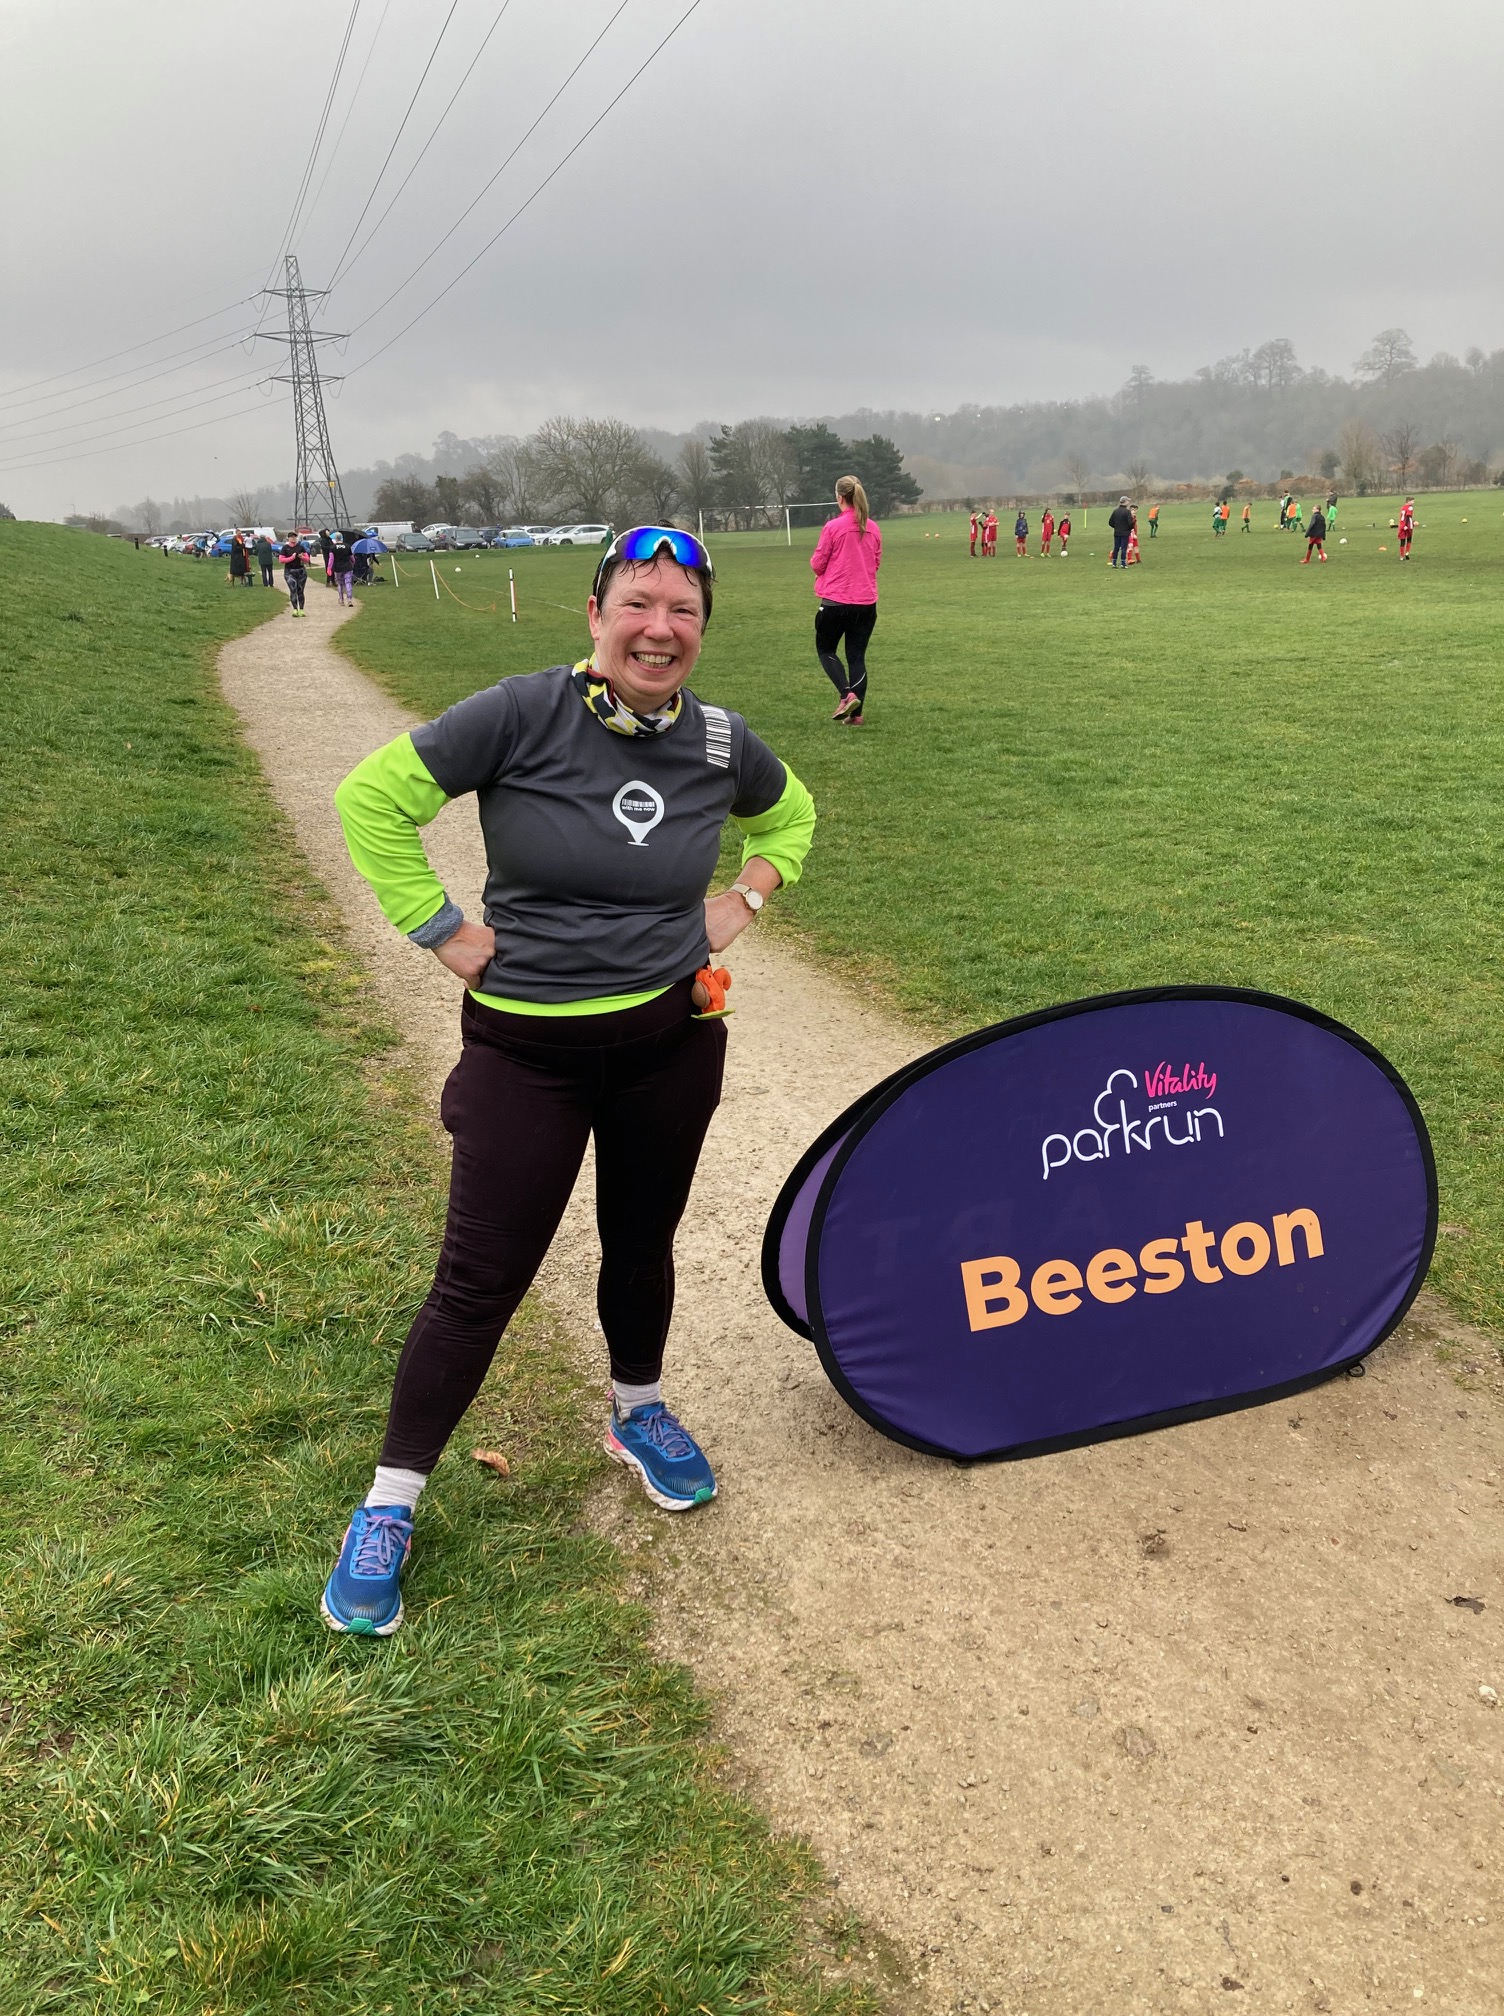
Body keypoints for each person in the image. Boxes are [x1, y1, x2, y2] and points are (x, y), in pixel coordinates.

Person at [320, 527, 817, 1635]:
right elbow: (370, 800)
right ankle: (390, 1502)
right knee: (478, 1281)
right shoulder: (520, 713)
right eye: (638, 603)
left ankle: (637, 1411)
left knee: (642, 1244)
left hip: (670, 1045)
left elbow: (791, 815)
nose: (659, 629)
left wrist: (747, 895)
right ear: (596, 614)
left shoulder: (722, 739)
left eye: (683, 611)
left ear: (702, 630)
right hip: (526, 1055)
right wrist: (439, 928)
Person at [811, 475, 882, 723]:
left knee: (825, 649)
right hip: (866, 603)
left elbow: (818, 564)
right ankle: (856, 716)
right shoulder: (873, 528)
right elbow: (875, 562)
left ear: (839, 497)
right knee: (857, 657)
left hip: (836, 601)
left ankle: (846, 694)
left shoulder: (833, 527)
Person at [281, 536, 308, 616]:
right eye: (291, 537)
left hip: (301, 571)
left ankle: (302, 609)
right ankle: (295, 609)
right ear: (288, 538)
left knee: (300, 590)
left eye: (294, 537)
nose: (293, 539)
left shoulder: (300, 547)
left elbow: (307, 559)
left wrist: (302, 557)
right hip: (289, 571)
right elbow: (281, 560)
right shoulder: (285, 548)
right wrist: (292, 557)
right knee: (293, 590)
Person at [1108, 495, 1134, 568]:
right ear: (1125, 502)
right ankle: (1123, 564)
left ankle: (1114, 563)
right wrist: (1130, 528)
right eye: (1128, 501)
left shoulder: (1115, 511)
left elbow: (1110, 522)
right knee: (1123, 548)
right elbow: (1130, 523)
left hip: (1117, 532)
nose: (1128, 502)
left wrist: (1116, 527)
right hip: (1125, 533)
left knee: (1116, 548)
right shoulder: (1127, 512)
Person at [332, 530, 355, 607]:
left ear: (335, 538)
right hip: (347, 567)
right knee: (348, 583)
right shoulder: (347, 546)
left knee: (340, 584)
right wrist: (353, 563)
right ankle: (349, 599)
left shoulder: (333, 547)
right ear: (341, 538)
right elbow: (351, 558)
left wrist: (329, 568)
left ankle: (341, 599)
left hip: (338, 568)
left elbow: (331, 559)